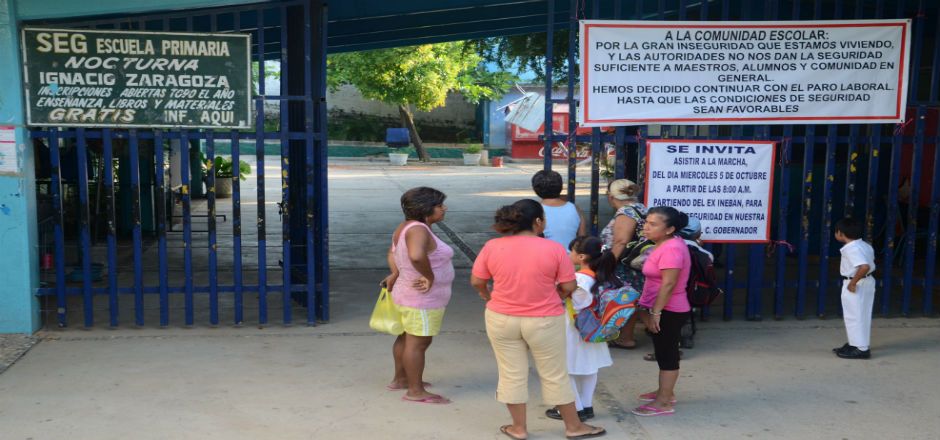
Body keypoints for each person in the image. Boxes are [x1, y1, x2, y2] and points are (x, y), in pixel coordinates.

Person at [471, 199, 606, 440]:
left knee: (511, 373)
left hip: (501, 318)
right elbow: (569, 286)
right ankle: (573, 427)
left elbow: (477, 281)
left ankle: (518, 428)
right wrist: (557, 295)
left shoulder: (492, 246)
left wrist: (487, 296)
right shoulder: (554, 249)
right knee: (555, 374)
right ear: (537, 221)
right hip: (544, 319)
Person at [383, 187, 455, 404]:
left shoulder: (406, 227)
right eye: (439, 205)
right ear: (426, 208)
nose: (444, 208)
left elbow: (392, 252)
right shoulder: (418, 230)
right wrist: (429, 276)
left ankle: (401, 379)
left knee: (406, 338)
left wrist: (396, 272)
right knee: (418, 343)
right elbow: (415, 256)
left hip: (407, 293)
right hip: (421, 298)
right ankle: (415, 391)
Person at [545, 236, 616, 422]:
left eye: (572, 251)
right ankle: (586, 405)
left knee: (565, 369)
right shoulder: (603, 276)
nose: (569, 254)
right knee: (590, 368)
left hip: (573, 327)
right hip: (594, 327)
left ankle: (575, 408)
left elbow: (560, 297)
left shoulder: (578, 279)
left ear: (582, 257)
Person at [632, 206, 691, 417]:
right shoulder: (665, 244)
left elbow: (669, 283)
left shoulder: (672, 249)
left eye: (653, 224)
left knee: (667, 354)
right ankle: (665, 392)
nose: (646, 227)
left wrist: (656, 312)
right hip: (662, 307)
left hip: (669, 309)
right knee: (663, 351)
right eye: (646, 222)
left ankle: (664, 401)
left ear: (670, 229)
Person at [600, 179, 648, 350]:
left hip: (624, 265)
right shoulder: (641, 208)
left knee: (625, 300)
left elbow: (621, 241)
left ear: (611, 197)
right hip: (636, 264)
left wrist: (607, 265)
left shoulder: (626, 212)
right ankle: (625, 337)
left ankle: (623, 337)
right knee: (632, 301)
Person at [833, 217, 876, 360]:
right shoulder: (864, 245)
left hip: (856, 283)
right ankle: (855, 343)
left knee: (854, 315)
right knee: (860, 314)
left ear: (840, 233)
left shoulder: (852, 249)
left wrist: (853, 283)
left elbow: (864, 266)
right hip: (866, 282)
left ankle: (861, 348)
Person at [532, 169, 587, 248]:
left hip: (544, 255)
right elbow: (582, 239)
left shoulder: (533, 210)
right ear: (561, 187)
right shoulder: (575, 209)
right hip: (570, 255)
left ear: (535, 189)